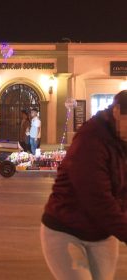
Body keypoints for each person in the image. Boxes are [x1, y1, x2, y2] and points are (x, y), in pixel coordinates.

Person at [40, 91, 127, 280]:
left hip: (103, 234)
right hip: (65, 230)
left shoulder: (123, 141)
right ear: (117, 112)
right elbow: (97, 198)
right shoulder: (92, 138)